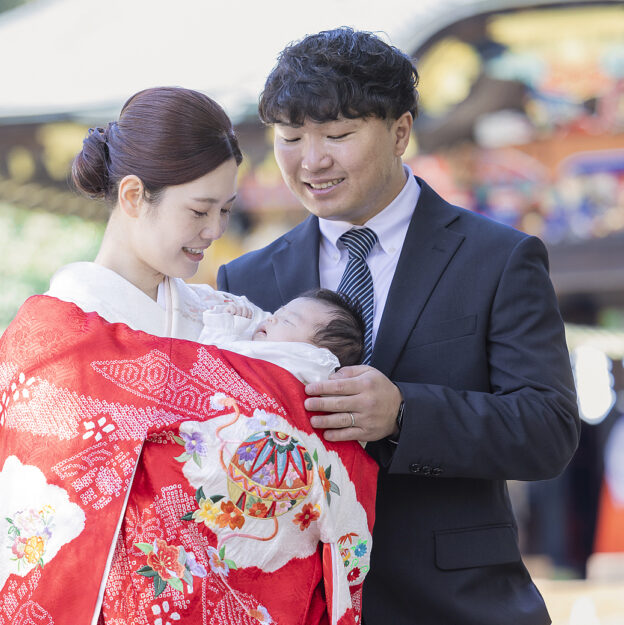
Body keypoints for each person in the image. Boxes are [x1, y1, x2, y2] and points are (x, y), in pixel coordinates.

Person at [0, 87, 378, 625]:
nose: (215, 231)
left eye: (225, 210)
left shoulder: (232, 318)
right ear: (133, 196)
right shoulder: (53, 338)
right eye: (200, 210)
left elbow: (313, 420)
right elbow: (45, 512)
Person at [218, 28, 580, 625]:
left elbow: (548, 428)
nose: (312, 161)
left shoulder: (498, 258)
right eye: (290, 138)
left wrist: (405, 414)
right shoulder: (245, 280)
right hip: (297, 605)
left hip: (457, 605)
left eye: (337, 135)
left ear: (400, 132)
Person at [198, 288, 365, 381]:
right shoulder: (258, 346)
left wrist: (225, 326)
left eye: (287, 321)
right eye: (277, 313)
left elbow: (210, 360)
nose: (271, 319)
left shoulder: (304, 362)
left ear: (315, 350)